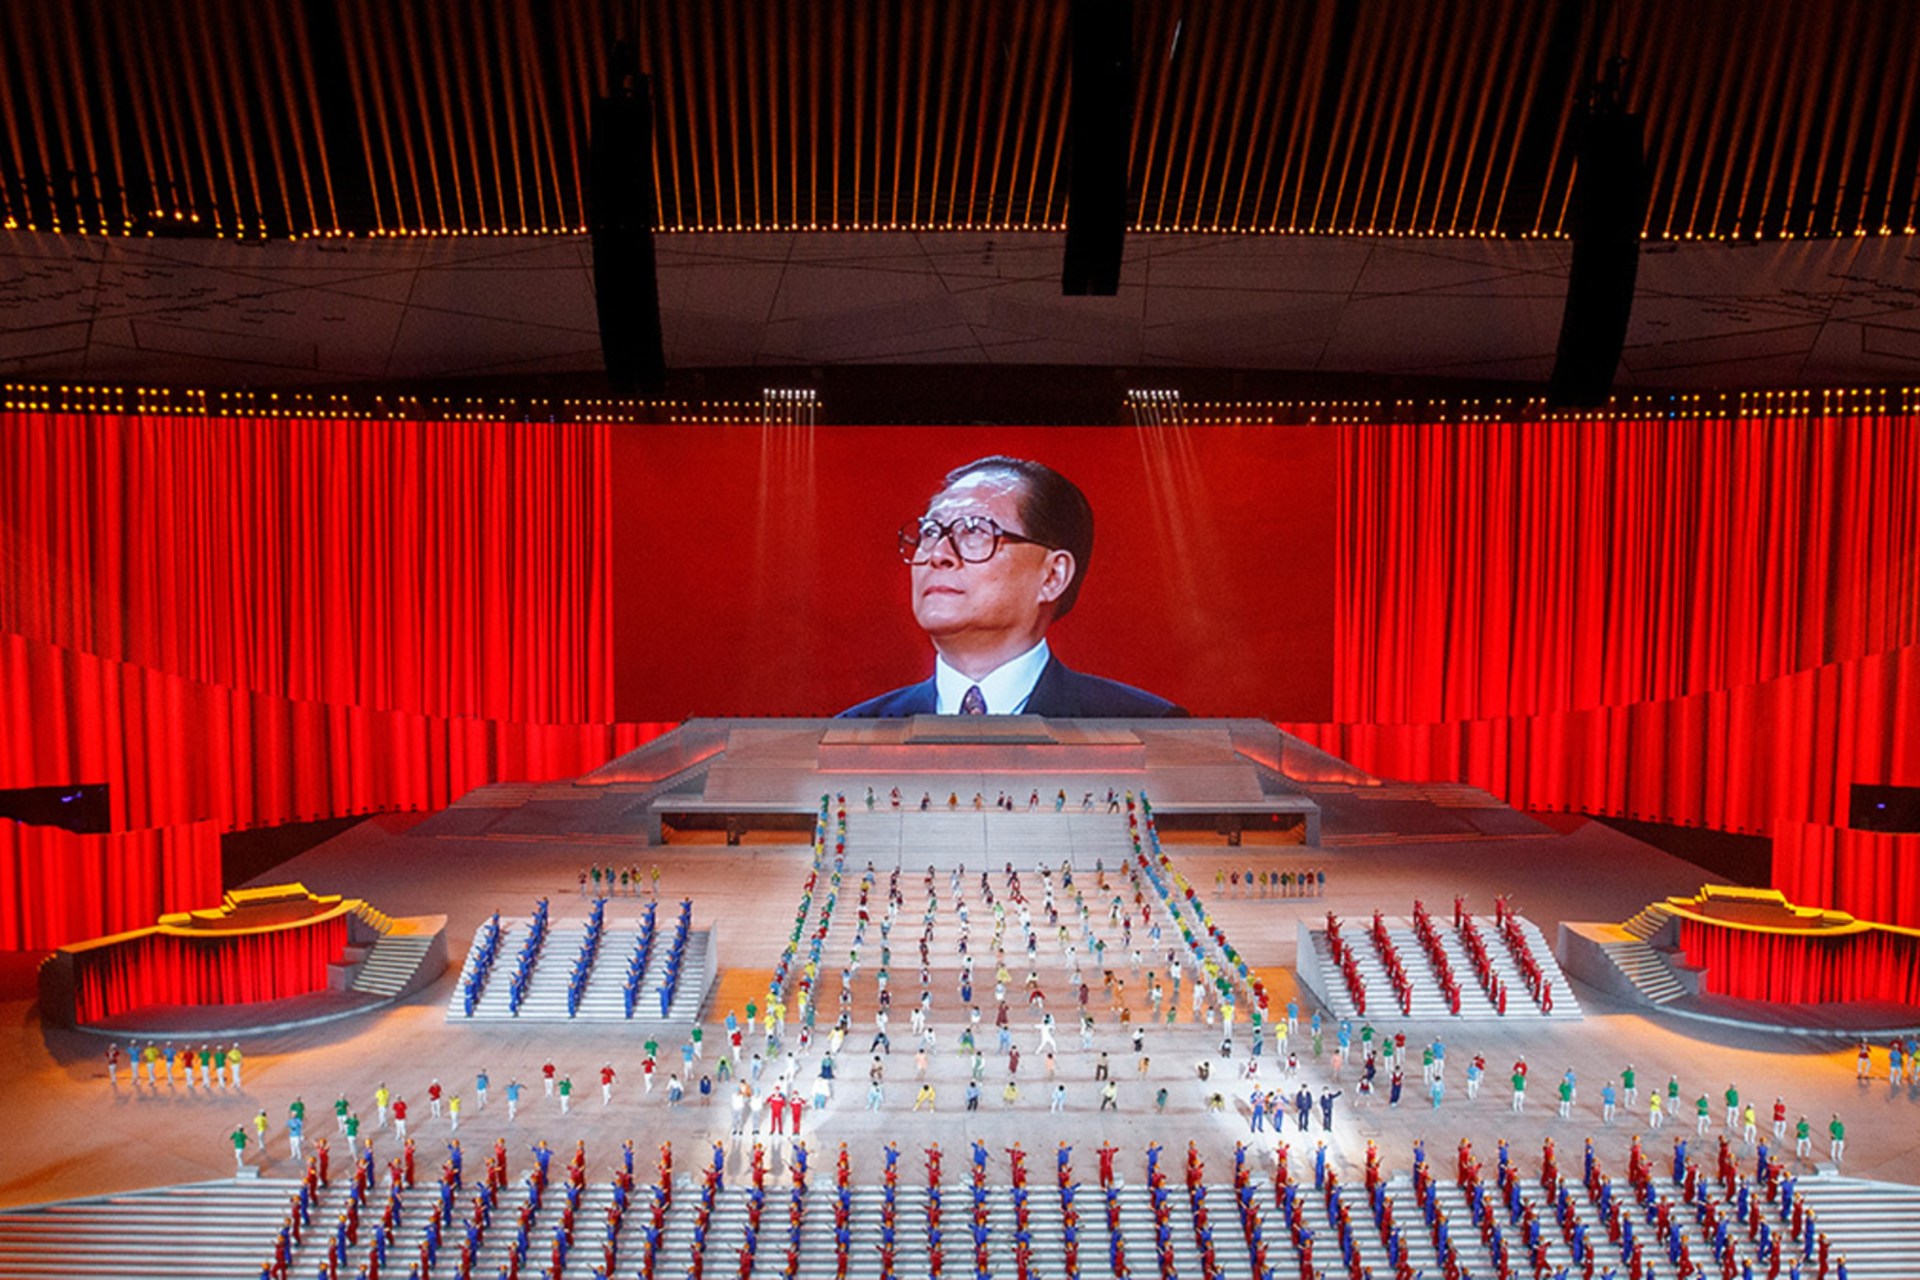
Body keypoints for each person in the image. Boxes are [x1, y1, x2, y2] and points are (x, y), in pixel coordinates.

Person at [838, 457, 1186, 718]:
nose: (939, 555)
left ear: (1052, 577)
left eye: (974, 531)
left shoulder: (1142, 726)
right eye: (930, 533)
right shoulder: (856, 731)